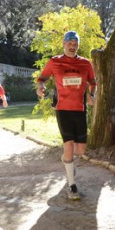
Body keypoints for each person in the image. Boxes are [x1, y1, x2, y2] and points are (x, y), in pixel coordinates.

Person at [36, 31, 97, 200]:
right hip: (62, 108)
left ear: (77, 45)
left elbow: (93, 82)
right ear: (64, 44)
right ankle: (72, 186)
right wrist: (40, 87)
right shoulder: (55, 61)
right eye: (69, 43)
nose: (72, 46)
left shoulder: (85, 63)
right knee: (68, 145)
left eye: (75, 43)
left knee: (80, 150)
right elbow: (42, 78)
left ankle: (67, 162)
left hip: (79, 109)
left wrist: (92, 95)